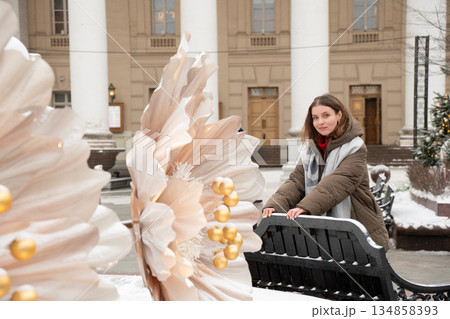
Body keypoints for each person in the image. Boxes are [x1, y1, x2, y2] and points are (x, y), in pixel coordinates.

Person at [262, 94, 389, 251]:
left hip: (357, 225)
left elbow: (339, 182)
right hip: (326, 232)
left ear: (339, 115)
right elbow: (296, 181)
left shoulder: (355, 147)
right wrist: (276, 205)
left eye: (326, 115)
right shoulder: (311, 149)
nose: (320, 122)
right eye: (315, 117)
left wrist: (306, 207)